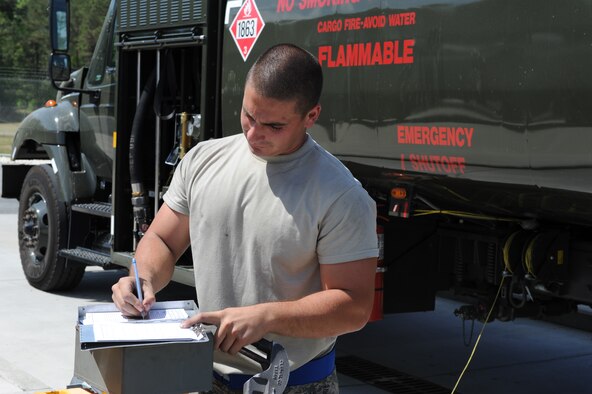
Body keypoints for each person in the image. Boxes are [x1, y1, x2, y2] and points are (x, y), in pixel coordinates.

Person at [111, 43, 378, 393]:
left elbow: (354, 306)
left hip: (294, 385)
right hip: (204, 376)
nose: (253, 134)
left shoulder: (340, 194)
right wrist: (142, 276)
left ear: (311, 116)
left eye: (273, 125)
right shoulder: (203, 160)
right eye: (249, 116)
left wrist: (266, 317)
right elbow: (162, 239)